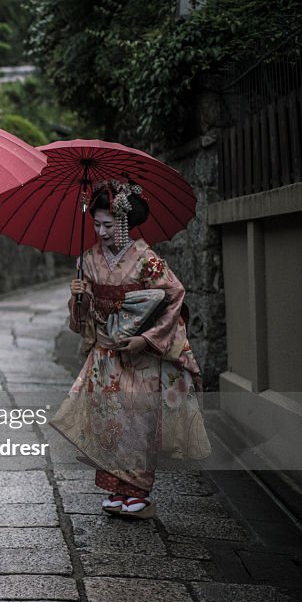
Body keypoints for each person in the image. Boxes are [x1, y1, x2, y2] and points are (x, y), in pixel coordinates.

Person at [50, 180, 210, 519]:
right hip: (106, 351)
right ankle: (115, 490)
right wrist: (80, 298)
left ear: (123, 222)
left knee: (139, 420)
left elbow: (173, 298)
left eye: (108, 224)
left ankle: (138, 491)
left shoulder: (147, 259)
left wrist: (146, 338)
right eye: (97, 224)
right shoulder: (88, 260)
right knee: (108, 418)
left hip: (139, 351)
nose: (101, 231)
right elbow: (84, 319)